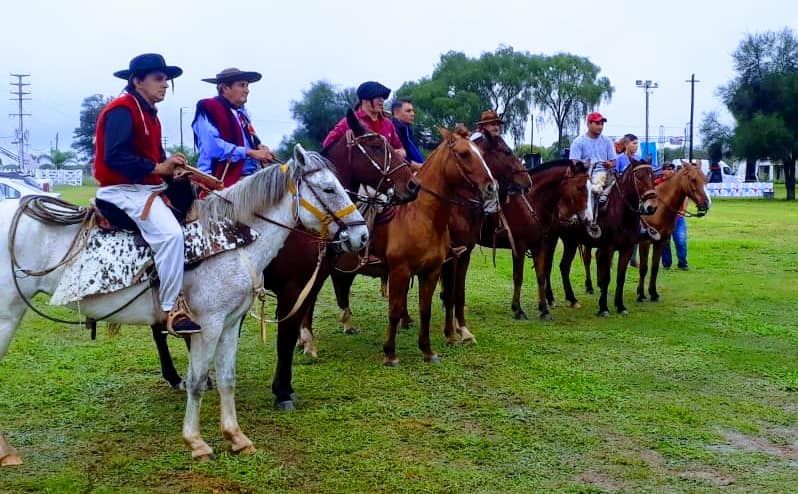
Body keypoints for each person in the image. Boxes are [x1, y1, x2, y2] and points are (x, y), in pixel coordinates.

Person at [93, 53, 200, 336]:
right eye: (158, 79)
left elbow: (155, 160)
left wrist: (171, 168)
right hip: (121, 190)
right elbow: (115, 157)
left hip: (144, 188)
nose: (165, 85)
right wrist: (158, 167)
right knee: (170, 236)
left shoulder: (149, 113)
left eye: (166, 80)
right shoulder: (122, 110)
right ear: (137, 81)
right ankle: (171, 310)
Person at [192, 68, 274, 187]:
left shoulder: (242, 114)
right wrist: (250, 152)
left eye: (247, 86)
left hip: (247, 176)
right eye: (242, 85)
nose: (247, 90)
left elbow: (249, 140)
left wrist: (260, 148)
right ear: (225, 88)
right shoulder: (208, 108)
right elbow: (213, 147)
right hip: (218, 178)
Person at [323, 81, 406, 161]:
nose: (382, 100)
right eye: (378, 97)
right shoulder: (350, 122)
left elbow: (401, 149)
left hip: (387, 173)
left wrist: (400, 153)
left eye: (383, 97)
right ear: (365, 100)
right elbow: (327, 144)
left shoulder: (388, 124)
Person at [567, 112, 617, 238]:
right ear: (589, 124)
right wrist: (584, 166)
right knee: (591, 189)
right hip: (585, 175)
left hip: (605, 173)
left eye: (602, 124)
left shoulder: (607, 141)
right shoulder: (578, 142)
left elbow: (614, 161)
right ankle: (590, 222)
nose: (600, 126)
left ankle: (638, 224)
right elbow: (574, 163)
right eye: (597, 123)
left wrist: (609, 164)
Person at [661, 163, 689, 270]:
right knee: (664, 242)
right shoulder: (658, 183)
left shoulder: (679, 183)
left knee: (680, 240)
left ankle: (682, 263)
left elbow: (685, 197)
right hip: (663, 218)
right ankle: (666, 263)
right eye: (668, 169)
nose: (671, 171)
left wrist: (683, 210)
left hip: (678, 217)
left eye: (672, 169)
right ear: (663, 171)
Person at [390, 98, 424, 171]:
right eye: (408, 111)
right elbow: (397, 158)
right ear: (396, 113)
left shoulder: (407, 130)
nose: (412, 114)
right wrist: (422, 167)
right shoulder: (393, 131)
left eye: (412, 111)